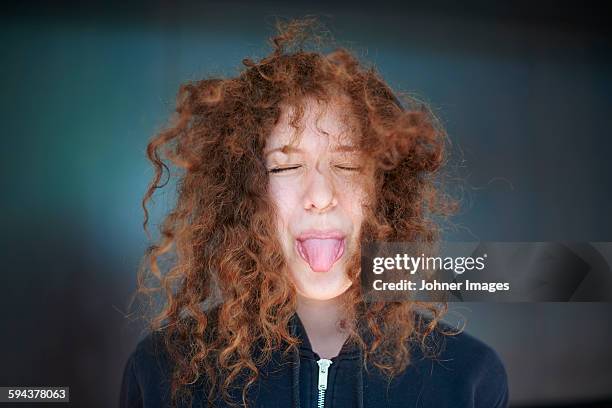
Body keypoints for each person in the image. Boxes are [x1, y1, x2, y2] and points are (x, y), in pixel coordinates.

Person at [120, 18, 509, 408]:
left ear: (383, 191)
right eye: (286, 167)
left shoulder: (469, 376)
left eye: (348, 165)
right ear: (244, 193)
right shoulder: (162, 372)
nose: (321, 195)